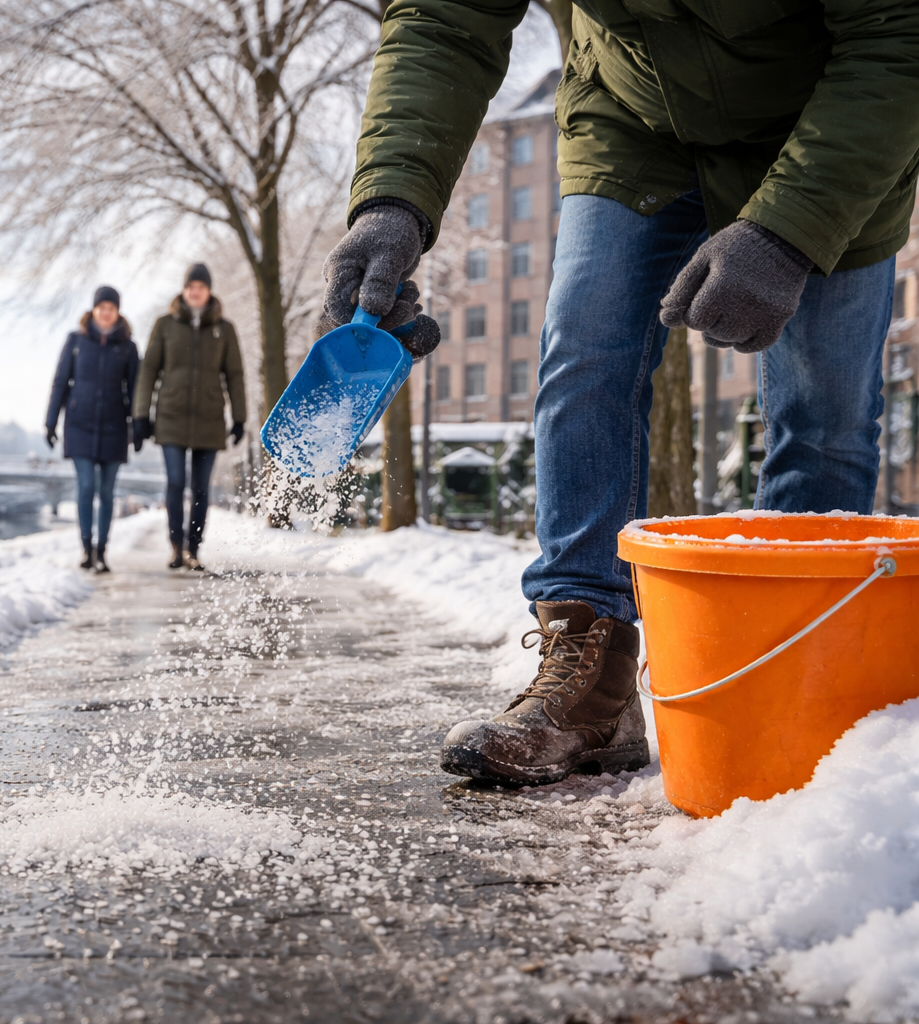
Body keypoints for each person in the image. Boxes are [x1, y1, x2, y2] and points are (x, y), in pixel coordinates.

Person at [325, 2, 919, 786]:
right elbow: (443, 18)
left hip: (834, 109)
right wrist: (392, 199)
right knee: (585, 352)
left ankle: (796, 689)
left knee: (823, 414)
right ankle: (590, 680)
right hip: (630, 113)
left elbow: (900, 30)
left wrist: (790, 232)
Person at [133, 263, 246, 571]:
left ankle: (193, 550)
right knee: (175, 481)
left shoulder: (225, 328)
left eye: (201, 286)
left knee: (200, 487)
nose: (195, 291)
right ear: (184, 290)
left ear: (209, 291)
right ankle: (175, 547)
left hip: (209, 420)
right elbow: (148, 372)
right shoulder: (165, 325)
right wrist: (141, 415)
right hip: (170, 417)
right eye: (190, 286)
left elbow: (234, 374)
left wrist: (239, 417)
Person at [46, 286, 140, 573]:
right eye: (102, 307)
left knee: (107, 492)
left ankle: (102, 550)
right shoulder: (75, 341)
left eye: (111, 307)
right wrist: (51, 421)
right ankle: (86, 548)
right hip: (80, 425)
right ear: (94, 310)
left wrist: (138, 427)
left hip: (114, 427)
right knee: (86, 486)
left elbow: (137, 390)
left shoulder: (128, 347)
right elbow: (60, 382)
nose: (106, 312)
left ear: (117, 312)